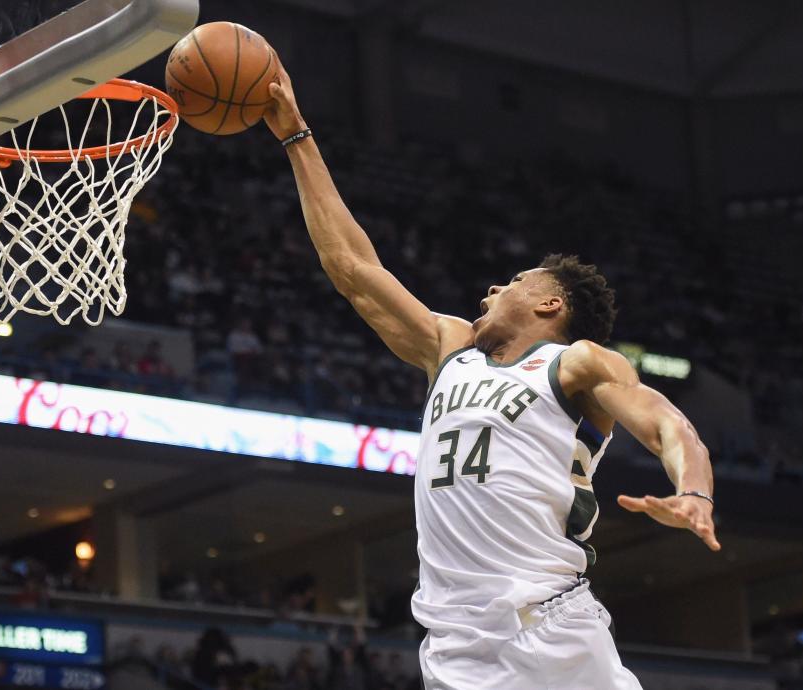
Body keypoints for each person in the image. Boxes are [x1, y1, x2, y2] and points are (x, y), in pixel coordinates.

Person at [264, 60, 720, 690]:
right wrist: (296, 136)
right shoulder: (448, 348)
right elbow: (352, 268)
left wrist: (693, 493)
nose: (490, 288)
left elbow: (669, 424)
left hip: (551, 632)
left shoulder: (577, 364)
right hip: (455, 649)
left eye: (513, 282)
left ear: (549, 305)